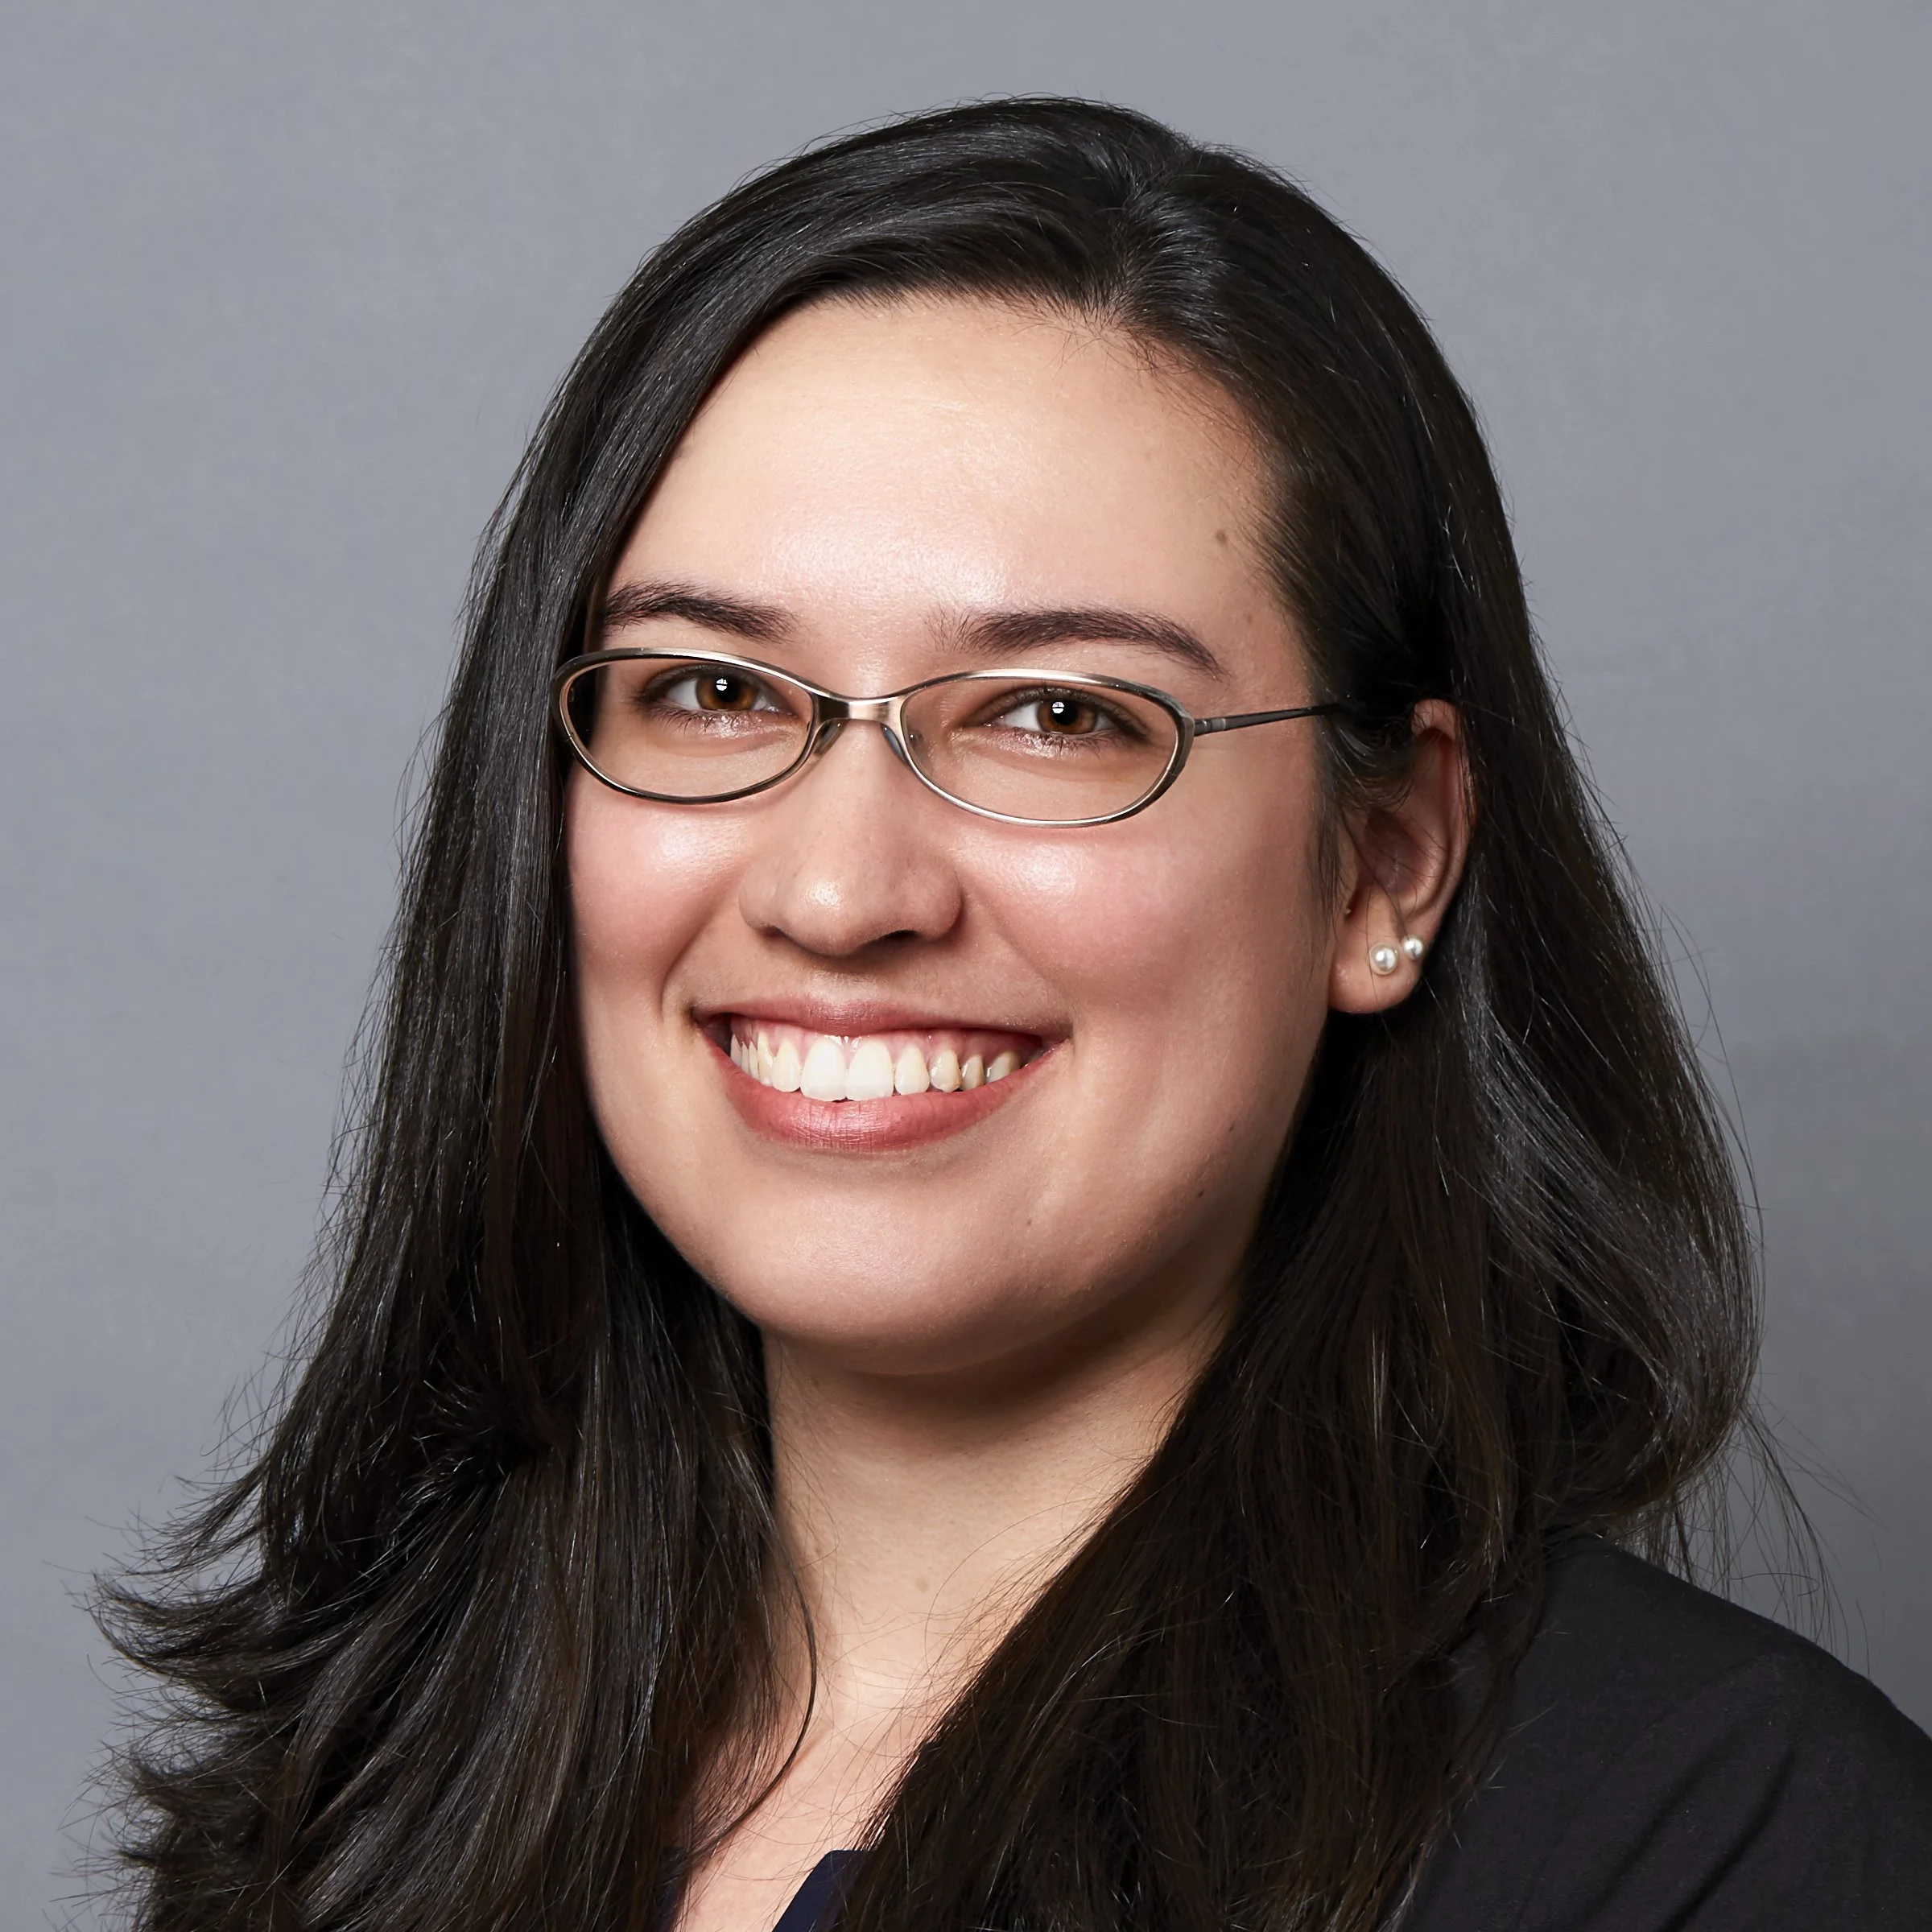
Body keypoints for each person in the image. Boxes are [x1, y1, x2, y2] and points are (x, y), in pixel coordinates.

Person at [101, 99, 1932, 1932]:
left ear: (1383, 865)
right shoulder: (350, 1788)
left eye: (1059, 717)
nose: (839, 892)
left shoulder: (1725, 1846)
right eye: (715, 691)